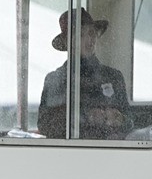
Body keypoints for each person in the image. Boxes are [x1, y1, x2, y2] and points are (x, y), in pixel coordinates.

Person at [37, 8, 130, 140]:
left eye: (92, 33)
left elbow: (130, 121)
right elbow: (46, 125)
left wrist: (120, 118)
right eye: (81, 35)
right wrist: (85, 116)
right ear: (68, 42)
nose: (89, 39)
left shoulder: (114, 77)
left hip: (110, 153)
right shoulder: (56, 80)